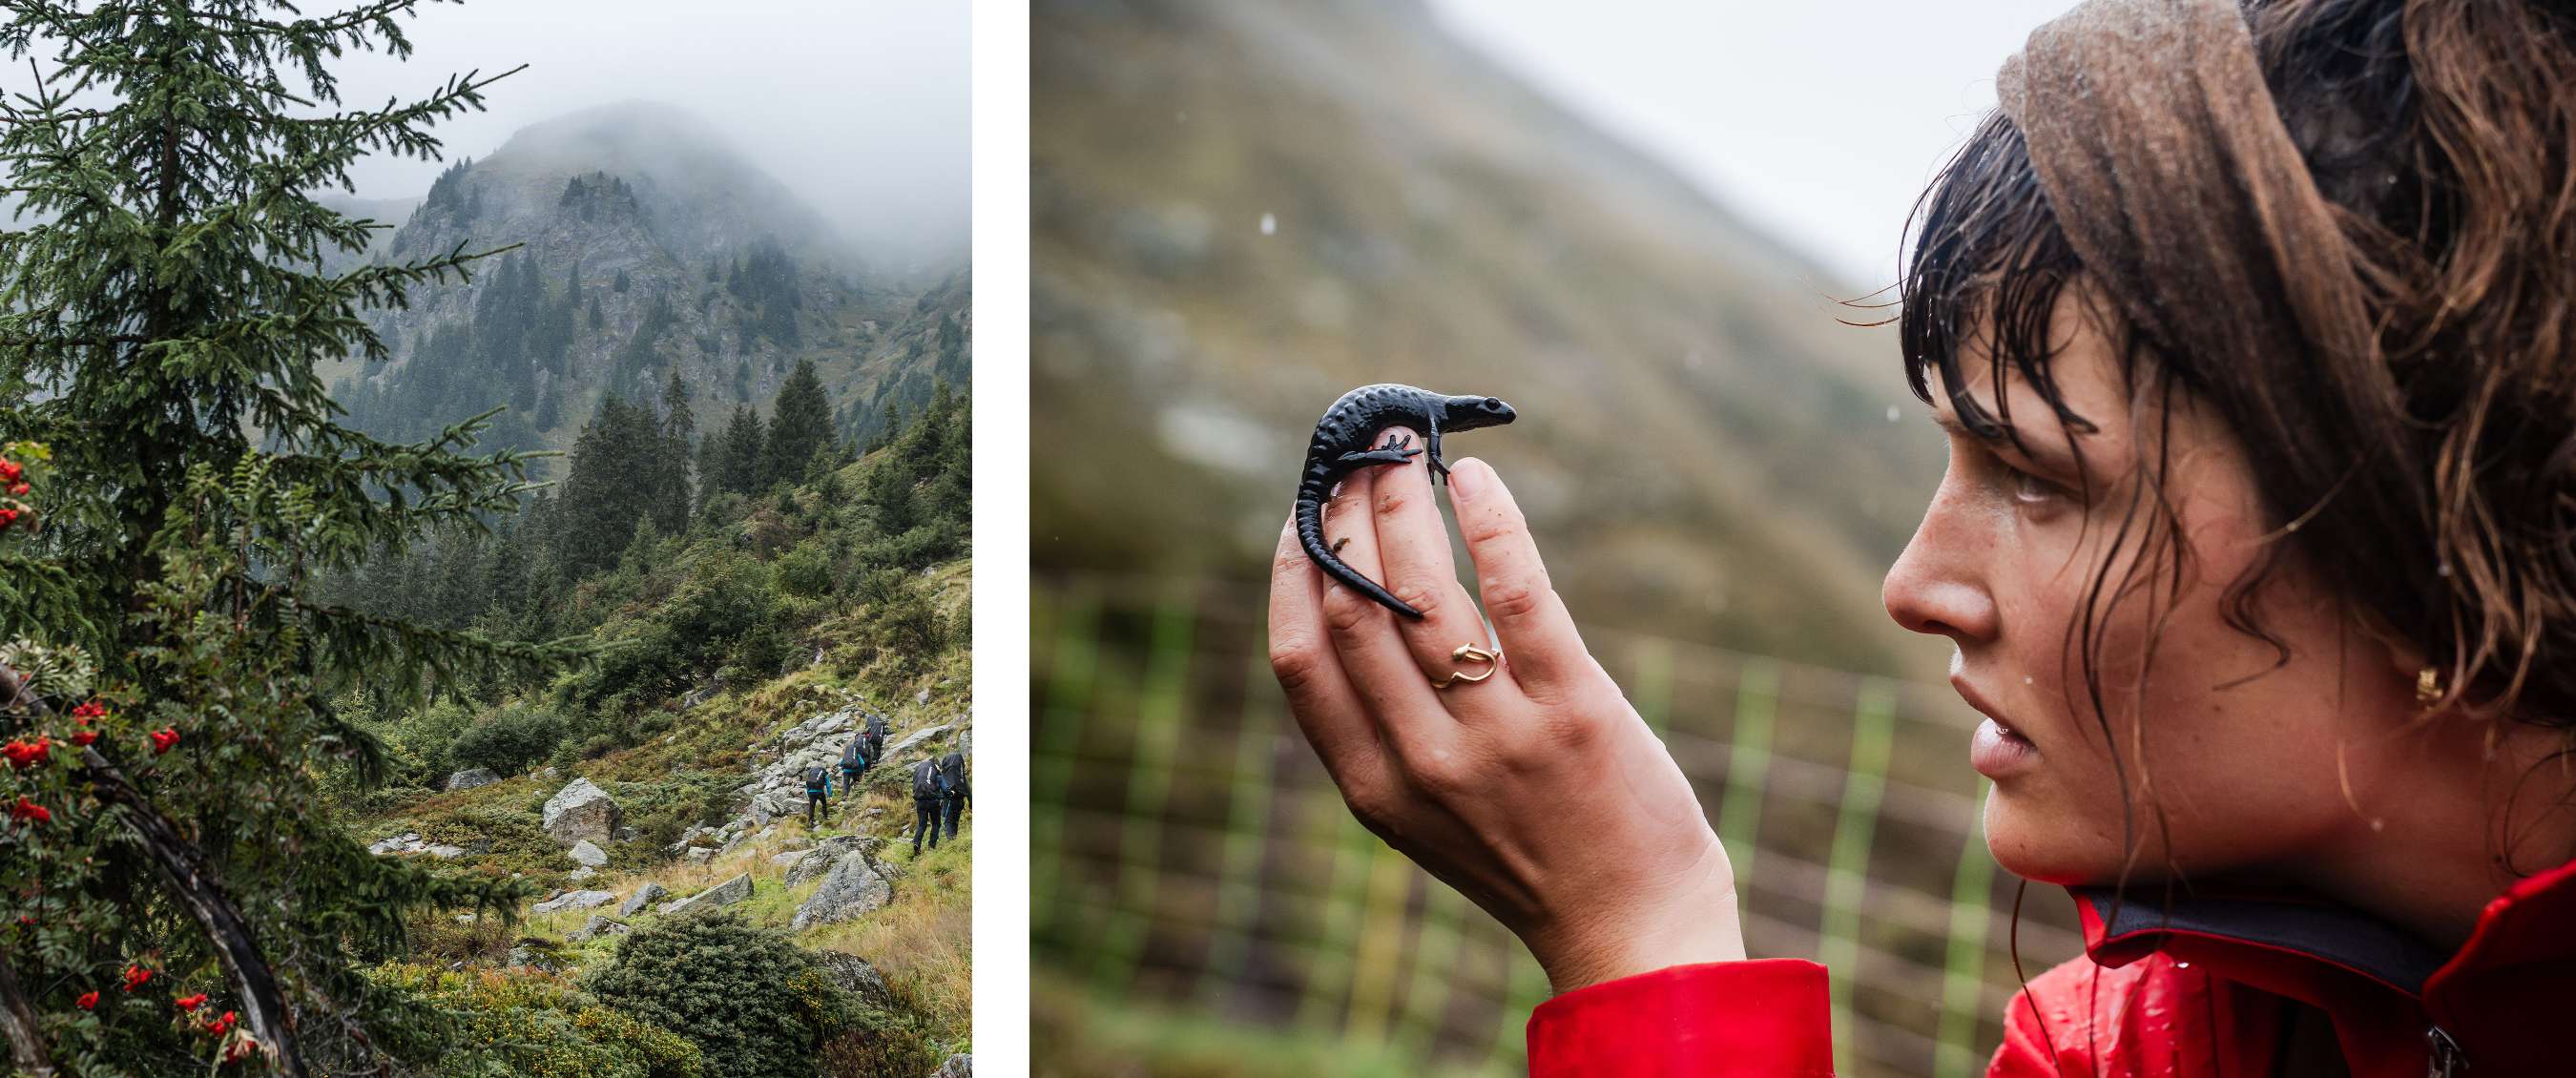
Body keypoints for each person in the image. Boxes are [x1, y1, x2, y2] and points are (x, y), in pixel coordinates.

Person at [1263, 0, 2576, 1073]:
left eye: (2038, 477)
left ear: (2439, 528)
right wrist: (1648, 933)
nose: (1913, 584)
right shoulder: (2126, 1047)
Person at [909, 757, 947, 856]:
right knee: (936, 824)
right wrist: (948, 794)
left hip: (920, 801)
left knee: (922, 825)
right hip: (933, 801)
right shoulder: (937, 775)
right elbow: (945, 789)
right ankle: (931, 846)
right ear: (936, 767)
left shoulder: (919, 773)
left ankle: (916, 843)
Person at [936, 750, 969, 842]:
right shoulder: (961, 776)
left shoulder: (944, 775)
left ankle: (951, 840)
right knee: (955, 821)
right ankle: (954, 839)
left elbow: (939, 789)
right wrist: (971, 803)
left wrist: (939, 803)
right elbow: (968, 789)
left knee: (948, 821)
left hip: (948, 800)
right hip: (959, 799)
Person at [800, 763, 831, 829]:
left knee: (812, 806)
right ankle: (825, 817)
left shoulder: (811, 772)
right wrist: (830, 795)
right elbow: (828, 785)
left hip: (811, 792)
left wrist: (808, 792)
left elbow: (808, 782)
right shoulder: (824, 772)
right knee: (824, 804)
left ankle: (810, 821)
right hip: (820, 792)